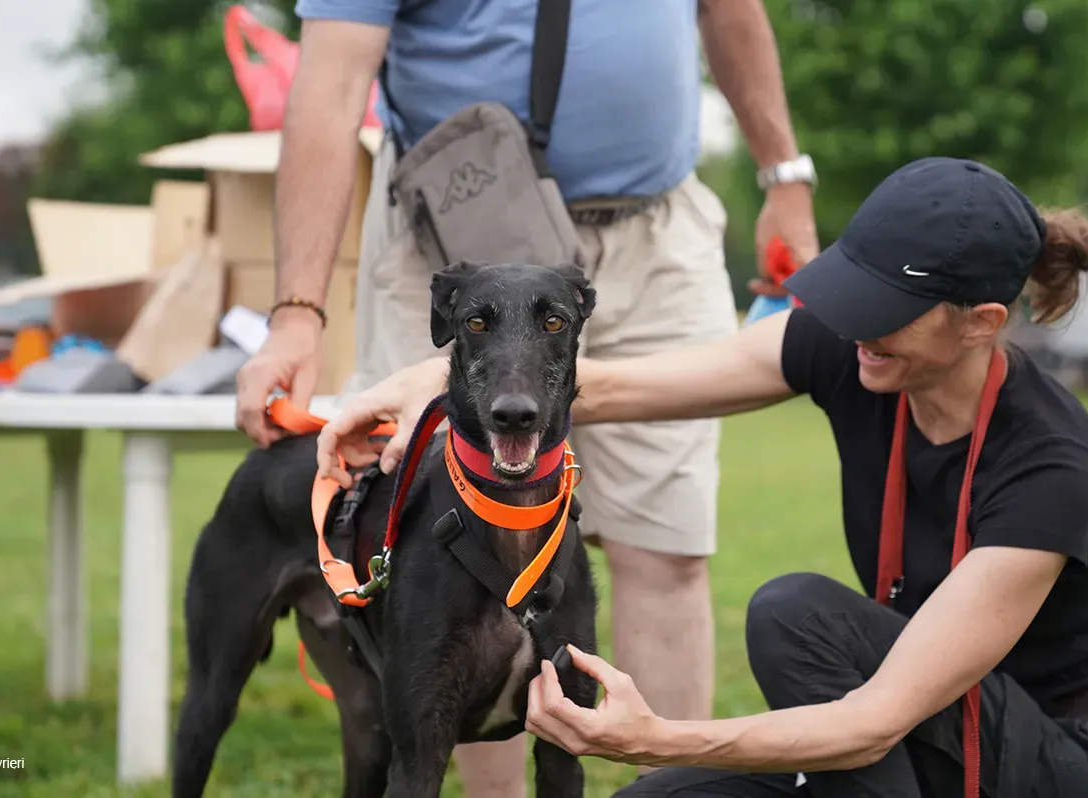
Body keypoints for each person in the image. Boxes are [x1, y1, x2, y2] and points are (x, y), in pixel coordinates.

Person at [316, 157, 1088, 797]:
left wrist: (655, 736)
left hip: (1065, 758)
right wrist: (409, 395)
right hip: (934, 730)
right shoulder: (863, 357)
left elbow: (872, 720)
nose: (854, 331)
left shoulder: (1050, 467)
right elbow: (614, 386)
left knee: (796, 617)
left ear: (981, 324)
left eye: (882, 315)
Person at [231, 1, 819, 794]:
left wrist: (783, 173)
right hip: (453, 239)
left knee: (668, 552)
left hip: (656, 232)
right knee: (451, 563)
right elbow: (330, 87)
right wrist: (297, 313)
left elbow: (728, 7)